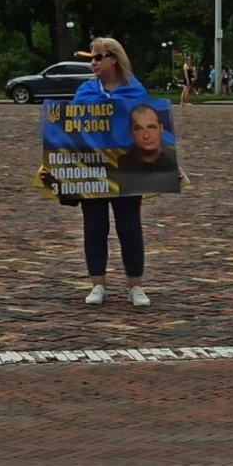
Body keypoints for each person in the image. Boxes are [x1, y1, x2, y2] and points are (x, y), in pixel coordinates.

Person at [73, 38, 153, 309]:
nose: (93, 62)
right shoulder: (84, 91)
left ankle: (135, 286)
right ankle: (98, 284)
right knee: (94, 226)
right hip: (92, 167)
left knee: (129, 227)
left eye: (98, 57)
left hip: (127, 167)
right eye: (91, 58)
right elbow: (70, 130)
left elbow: (150, 126)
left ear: (114, 59)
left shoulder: (135, 91)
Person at [116, 103, 180, 196]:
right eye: (138, 129)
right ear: (130, 132)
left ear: (161, 128)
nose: (146, 135)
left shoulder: (171, 163)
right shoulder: (120, 163)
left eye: (152, 127)